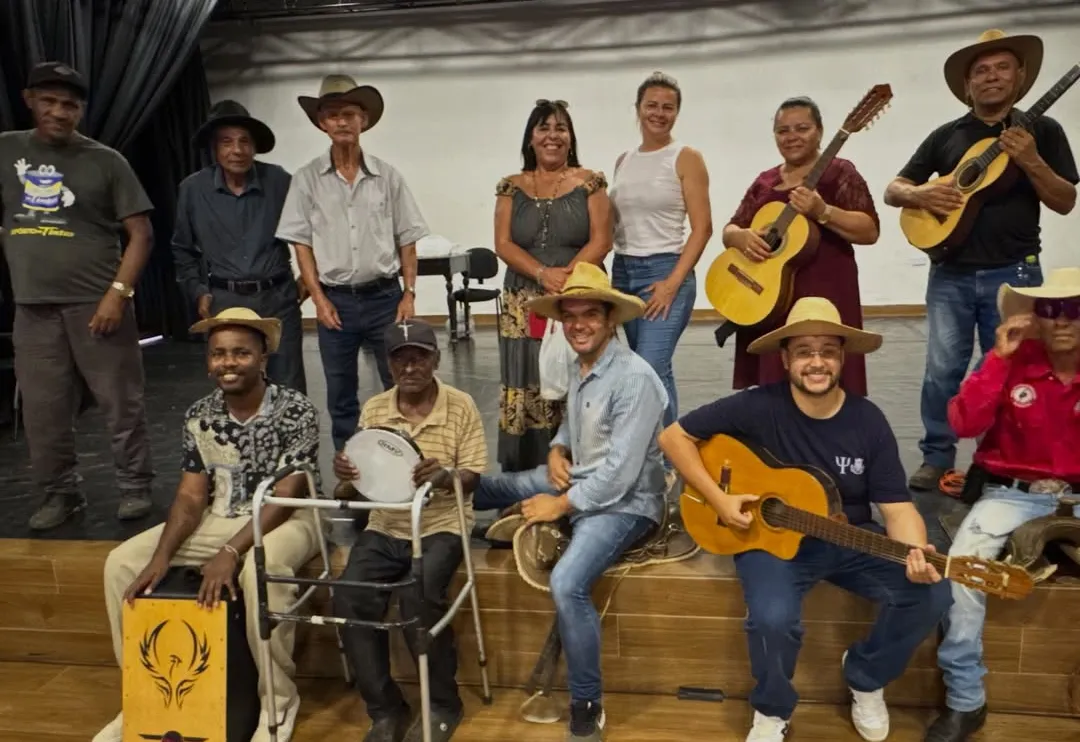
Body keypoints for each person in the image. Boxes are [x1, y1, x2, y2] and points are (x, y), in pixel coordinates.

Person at [658, 297, 953, 742]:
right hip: (767, 540)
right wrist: (718, 499)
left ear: (842, 358)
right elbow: (674, 436)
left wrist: (914, 549)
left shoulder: (867, 421)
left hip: (848, 538)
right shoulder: (758, 406)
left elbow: (896, 507)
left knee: (933, 592)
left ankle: (866, 677)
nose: (817, 362)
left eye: (828, 351)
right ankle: (773, 709)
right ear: (786, 359)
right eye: (804, 351)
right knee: (772, 619)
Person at [93, 308, 322, 742]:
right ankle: (143, 699)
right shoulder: (200, 414)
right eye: (219, 354)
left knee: (261, 574)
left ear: (263, 357)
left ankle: (278, 704)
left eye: (240, 353)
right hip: (220, 516)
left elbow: (288, 493)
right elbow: (192, 495)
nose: (228, 363)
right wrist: (161, 558)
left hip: (289, 517)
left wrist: (231, 552)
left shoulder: (295, 409)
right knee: (121, 564)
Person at [474, 262, 667, 741]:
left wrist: (558, 506)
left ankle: (586, 703)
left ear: (610, 320)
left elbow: (620, 478)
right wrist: (559, 447)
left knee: (567, 583)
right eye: (571, 316)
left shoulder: (635, 379)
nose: (579, 325)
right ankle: (436, 497)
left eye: (590, 316)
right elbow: (573, 422)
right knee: (492, 484)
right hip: (580, 478)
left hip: (627, 506)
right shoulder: (584, 364)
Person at [883, 29, 1078, 492]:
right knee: (941, 370)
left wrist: (1031, 161)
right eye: (981, 70)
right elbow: (893, 189)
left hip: (1015, 272)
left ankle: (998, 459)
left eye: (1002, 67)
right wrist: (920, 191)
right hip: (949, 271)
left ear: (1021, 77)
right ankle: (936, 456)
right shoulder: (947, 136)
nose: (992, 77)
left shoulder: (1042, 131)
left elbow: (1065, 200)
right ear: (968, 85)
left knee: (1009, 366)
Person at [926, 267, 1080, 742]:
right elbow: (962, 422)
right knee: (965, 570)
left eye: (1073, 308)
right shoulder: (1009, 359)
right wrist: (996, 357)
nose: (1061, 321)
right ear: (1035, 316)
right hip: (1010, 491)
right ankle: (965, 699)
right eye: (1050, 309)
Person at [0, 61, 155, 530]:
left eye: (70, 104)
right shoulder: (6, 151)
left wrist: (118, 294)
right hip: (33, 308)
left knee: (120, 403)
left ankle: (135, 486)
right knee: (43, 410)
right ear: (29, 99)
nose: (60, 112)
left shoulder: (106, 160)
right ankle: (58, 493)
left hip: (96, 302)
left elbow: (141, 233)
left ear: (81, 109)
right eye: (49, 101)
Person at [331, 319, 488, 742]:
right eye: (401, 359)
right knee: (348, 595)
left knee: (418, 596)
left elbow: (473, 478)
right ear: (389, 364)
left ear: (435, 359)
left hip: (442, 524)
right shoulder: (376, 409)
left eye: (420, 356)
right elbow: (361, 488)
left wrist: (444, 474)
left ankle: (443, 703)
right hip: (386, 524)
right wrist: (345, 474)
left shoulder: (461, 405)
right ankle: (385, 711)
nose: (411, 366)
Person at [276, 73, 429, 452]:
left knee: (399, 383)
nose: (342, 121)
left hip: (384, 298)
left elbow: (407, 239)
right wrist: (318, 298)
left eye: (349, 113)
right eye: (332, 114)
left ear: (363, 120)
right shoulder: (307, 180)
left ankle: (404, 457)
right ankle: (350, 468)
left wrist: (409, 294)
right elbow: (301, 245)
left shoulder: (387, 177)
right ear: (322, 123)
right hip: (336, 302)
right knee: (340, 391)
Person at [719, 96, 880, 397]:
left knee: (826, 377)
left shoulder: (840, 172)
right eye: (783, 130)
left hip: (825, 293)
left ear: (820, 131)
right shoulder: (764, 181)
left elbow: (869, 230)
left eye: (802, 128)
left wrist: (823, 211)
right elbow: (731, 228)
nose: (792, 137)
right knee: (772, 385)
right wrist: (740, 237)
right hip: (768, 297)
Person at [494, 98, 612, 473]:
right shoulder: (510, 187)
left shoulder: (591, 182)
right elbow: (503, 244)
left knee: (576, 375)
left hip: (577, 298)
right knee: (528, 378)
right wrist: (543, 274)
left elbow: (602, 240)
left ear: (570, 137)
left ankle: (579, 469)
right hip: (523, 301)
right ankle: (525, 476)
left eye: (561, 128)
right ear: (531, 138)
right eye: (544, 128)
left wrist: (567, 279)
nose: (552, 135)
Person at [173, 99, 307, 393]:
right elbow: (182, 249)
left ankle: (296, 440)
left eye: (245, 141)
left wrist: (308, 280)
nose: (237, 150)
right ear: (214, 148)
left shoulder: (279, 181)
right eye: (227, 142)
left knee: (289, 387)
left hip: (279, 299)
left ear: (254, 146)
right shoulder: (193, 190)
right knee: (236, 385)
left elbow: (310, 232)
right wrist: (198, 291)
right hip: (225, 300)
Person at [609, 71, 712, 429]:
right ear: (637, 109)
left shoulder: (686, 157)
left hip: (665, 271)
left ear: (677, 113)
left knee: (648, 368)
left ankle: (664, 457)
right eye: (651, 105)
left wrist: (672, 282)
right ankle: (666, 452)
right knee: (651, 369)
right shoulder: (624, 160)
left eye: (668, 107)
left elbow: (703, 228)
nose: (659, 112)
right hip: (622, 271)